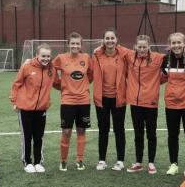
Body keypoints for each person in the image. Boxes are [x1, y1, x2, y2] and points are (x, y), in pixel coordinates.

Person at [10, 44, 57, 173]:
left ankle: (38, 162)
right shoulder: (27, 66)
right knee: (27, 136)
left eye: (48, 56)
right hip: (25, 108)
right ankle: (27, 162)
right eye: (43, 56)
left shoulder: (52, 69)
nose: (45, 58)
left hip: (41, 109)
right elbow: (16, 84)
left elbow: (63, 64)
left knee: (39, 136)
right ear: (37, 55)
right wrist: (14, 101)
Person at [125, 35, 166, 174]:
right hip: (135, 103)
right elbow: (115, 48)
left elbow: (172, 55)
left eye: (144, 47)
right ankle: (138, 162)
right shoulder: (130, 56)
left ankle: (151, 163)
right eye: (139, 47)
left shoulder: (158, 58)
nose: (142, 49)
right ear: (135, 47)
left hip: (151, 102)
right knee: (138, 134)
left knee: (151, 134)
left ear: (149, 46)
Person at [53, 32, 93, 171]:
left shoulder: (87, 58)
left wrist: (84, 87)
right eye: (73, 43)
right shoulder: (60, 58)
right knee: (66, 131)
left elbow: (91, 75)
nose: (75, 45)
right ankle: (63, 161)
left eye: (78, 43)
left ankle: (79, 160)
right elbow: (51, 69)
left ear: (81, 45)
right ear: (68, 44)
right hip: (67, 101)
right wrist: (61, 86)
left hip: (83, 101)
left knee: (81, 130)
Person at [162, 32, 185, 176]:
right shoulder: (165, 59)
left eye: (179, 42)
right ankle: (174, 164)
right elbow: (164, 76)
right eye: (174, 43)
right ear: (169, 44)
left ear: (184, 43)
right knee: (173, 135)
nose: (176, 45)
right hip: (171, 104)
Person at [93, 29, 127, 171]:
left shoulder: (124, 55)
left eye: (112, 38)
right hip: (102, 99)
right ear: (103, 40)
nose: (110, 41)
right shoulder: (96, 55)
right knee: (103, 129)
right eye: (107, 38)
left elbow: (138, 52)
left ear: (116, 40)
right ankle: (102, 160)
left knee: (119, 129)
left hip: (119, 99)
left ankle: (120, 160)